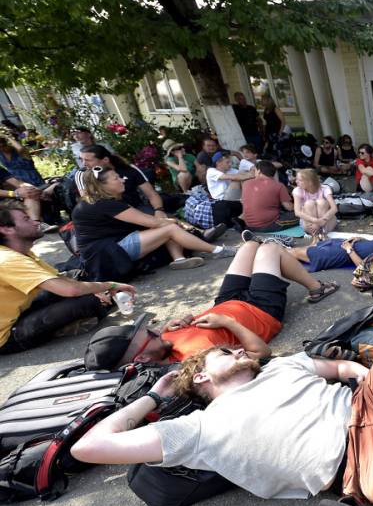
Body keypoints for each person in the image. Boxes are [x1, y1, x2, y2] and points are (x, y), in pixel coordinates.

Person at [70, 328, 373, 506]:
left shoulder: (279, 366)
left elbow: (338, 369)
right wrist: (150, 397)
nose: (239, 350)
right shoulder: (196, 429)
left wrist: (365, 377)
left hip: (365, 407)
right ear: (200, 376)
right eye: (226, 352)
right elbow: (87, 447)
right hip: (354, 460)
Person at [81, 240, 340, 372]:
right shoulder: (197, 362)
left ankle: (298, 271)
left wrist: (171, 328)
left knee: (249, 246)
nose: (153, 331)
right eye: (149, 334)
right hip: (259, 312)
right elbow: (261, 354)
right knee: (270, 249)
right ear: (142, 358)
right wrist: (227, 323)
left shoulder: (159, 348)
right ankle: (316, 287)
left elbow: (160, 341)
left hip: (227, 303)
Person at [0, 201, 135, 354]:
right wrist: (110, 285)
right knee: (88, 301)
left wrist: (93, 288)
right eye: (26, 219)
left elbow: (61, 280)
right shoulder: (8, 260)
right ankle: (58, 329)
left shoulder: (19, 253)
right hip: (5, 336)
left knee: (82, 282)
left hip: (18, 311)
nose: (35, 221)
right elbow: (71, 290)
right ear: (6, 229)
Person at [73, 167, 234, 275]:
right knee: (168, 227)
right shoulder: (103, 204)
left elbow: (151, 222)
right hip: (108, 255)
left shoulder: (99, 201)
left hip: (110, 248)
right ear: (102, 185)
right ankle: (217, 251)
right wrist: (175, 222)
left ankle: (179, 259)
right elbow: (154, 223)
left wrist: (167, 219)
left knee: (165, 224)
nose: (122, 180)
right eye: (116, 178)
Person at [80, 144, 183, 214]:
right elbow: (88, 201)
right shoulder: (85, 175)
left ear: (105, 160)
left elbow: (151, 194)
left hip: (137, 208)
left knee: (171, 223)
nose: (83, 164)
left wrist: (159, 211)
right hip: (110, 215)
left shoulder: (128, 169)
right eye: (82, 160)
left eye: (88, 160)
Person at [287, 236, 373, 274]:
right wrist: (360, 238)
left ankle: (277, 254)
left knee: (295, 252)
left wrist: (349, 250)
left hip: (340, 253)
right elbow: (371, 244)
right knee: (309, 247)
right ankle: (277, 251)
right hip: (343, 244)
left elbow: (365, 268)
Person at [241, 161, 297, 232]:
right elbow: (289, 207)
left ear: (258, 171)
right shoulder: (279, 186)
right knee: (302, 214)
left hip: (248, 225)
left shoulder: (246, 183)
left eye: (254, 170)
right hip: (267, 225)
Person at [293, 168, 338, 242]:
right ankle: (315, 234)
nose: (296, 182)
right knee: (309, 204)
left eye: (300, 180)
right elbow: (297, 212)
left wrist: (322, 220)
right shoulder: (297, 190)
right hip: (310, 224)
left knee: (322, 202)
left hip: (325, 222)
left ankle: (322, 232)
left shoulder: (325, 188)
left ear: (310, 182)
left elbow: (334, 208)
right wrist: (316, 221)